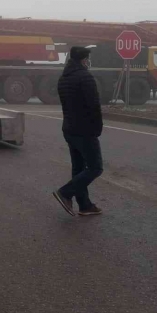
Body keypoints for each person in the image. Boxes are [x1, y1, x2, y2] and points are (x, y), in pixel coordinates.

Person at [52, 46, 104, 217]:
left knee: (79, 168)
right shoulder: (85, 77)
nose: (88, 62)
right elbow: (94, 105)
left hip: (69, 128)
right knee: (95, 167)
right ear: (84, 60)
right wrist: (97, 128)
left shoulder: (63, 78)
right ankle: (65, 193)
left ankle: (84, 205)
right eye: (87, 59)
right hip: (84, 130)